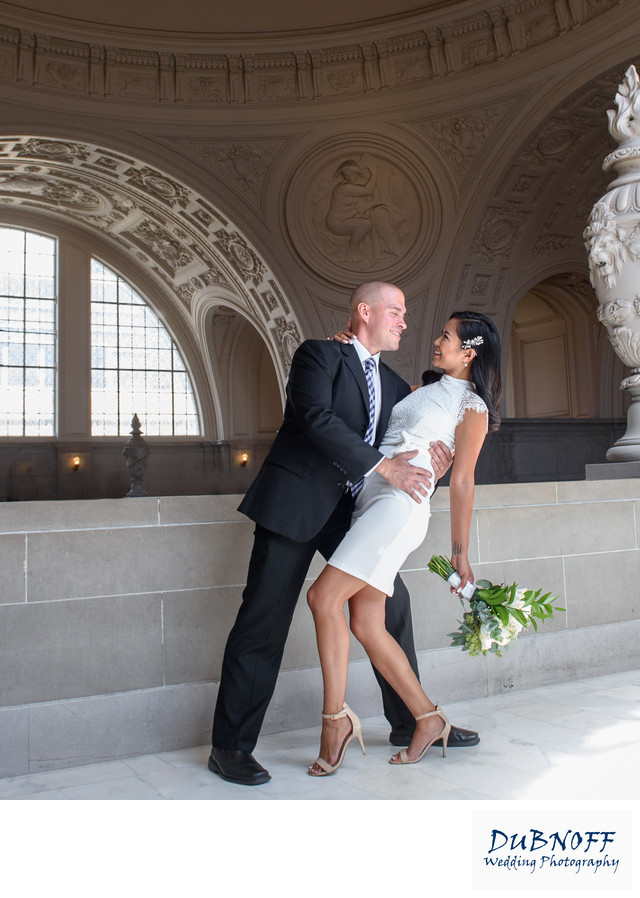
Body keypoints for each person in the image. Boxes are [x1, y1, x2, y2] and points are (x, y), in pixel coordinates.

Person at [208, 281, 480, 787]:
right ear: (365, 312)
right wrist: (385, 467)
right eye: (395, 312)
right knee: (263, 620)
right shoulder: (318, 355)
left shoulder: (398, 386)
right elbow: (317, 418)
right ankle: (230, 746)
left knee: (391, 608)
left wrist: (435, 460)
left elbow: (420, 429)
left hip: (355, 512)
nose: (404, 321)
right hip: (295, 504)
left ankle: (413, 721)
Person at [306, 310, 501, 776]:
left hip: (400, 506)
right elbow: (377, 407)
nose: (437, 340)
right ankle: (428, 719)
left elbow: (463, 481)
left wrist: (460, 554)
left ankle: (335, 722)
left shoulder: (472, 405)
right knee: (368, 625)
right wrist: (349, 348)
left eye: (447, 337)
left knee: (322, 597)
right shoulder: (423, 390)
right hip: (369, 500)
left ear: (469, 352)